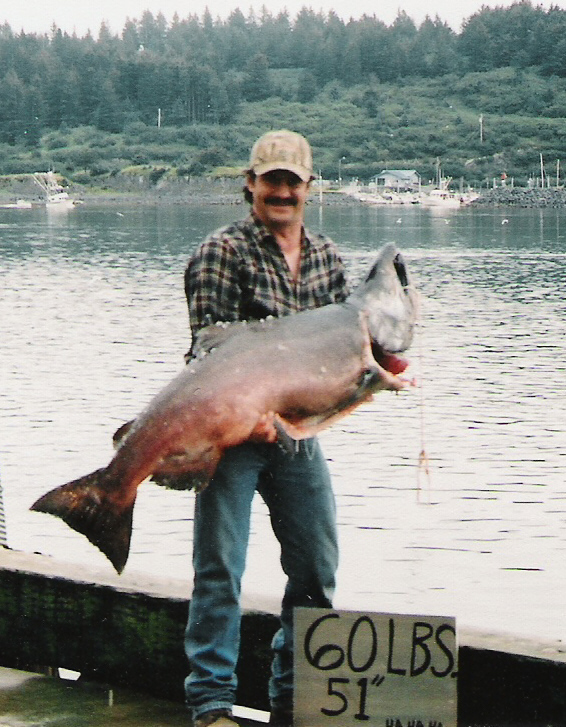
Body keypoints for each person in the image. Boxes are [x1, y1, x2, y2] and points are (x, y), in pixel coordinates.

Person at [183, 130, 349, 727]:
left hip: (298, 435)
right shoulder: (220, 251)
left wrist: (379, 375)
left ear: (310, 187)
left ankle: (295, 700)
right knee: (220, 567)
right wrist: (244, 419)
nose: (282, 192)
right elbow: (206, 357)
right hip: (232, 436)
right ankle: (211, 704)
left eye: (292, 182)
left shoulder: (328, 258)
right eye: (271, 180)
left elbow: (340, 355)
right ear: (250, 184)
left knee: (316, 568)